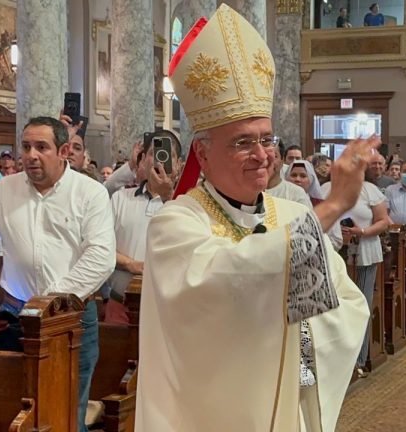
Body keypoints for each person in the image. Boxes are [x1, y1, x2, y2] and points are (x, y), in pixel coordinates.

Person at [137, 5, 376, 431]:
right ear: (203, 154)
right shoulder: (175, 223)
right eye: (242, 142)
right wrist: (333, 207)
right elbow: (230, 279)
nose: (262, 155)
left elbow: (341, 303)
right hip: (206, 414)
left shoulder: (291, 213)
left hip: (287, 408)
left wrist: (304, 369)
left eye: (267, 139)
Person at [0, 117, 116, 432]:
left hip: (72, 318)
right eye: (26, 147)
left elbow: (100, 256)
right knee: (18, 410)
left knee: (68, 414)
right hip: (16, 315)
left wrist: (48, 304)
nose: (30, 155)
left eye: (41, 147)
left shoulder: (90, 193)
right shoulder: (3, 191)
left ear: (64, 151)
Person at [106, 132, 180, 324]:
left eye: (167, 155)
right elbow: (101, 247)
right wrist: (131, 264)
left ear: (178, 164)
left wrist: (168, 198)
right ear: (144, 161)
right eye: (154, 153)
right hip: (120, 304)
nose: (160, 161)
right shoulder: (120, 198)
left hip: (170, 309)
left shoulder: (187, 203)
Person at [326, 177, 388, 377]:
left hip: (364, 252)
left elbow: (383, 221)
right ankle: (335, 358)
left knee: (360, 305)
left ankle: (358, 360)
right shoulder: (327, 188)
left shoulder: (369, 190)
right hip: (333, 253)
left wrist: (360, 231)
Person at [267, 141, 312, 209]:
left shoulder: (296, 193)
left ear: (282, 161)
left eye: (274, 156)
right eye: (265, 155)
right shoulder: (248, 191)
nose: (267, 161)